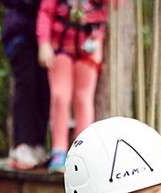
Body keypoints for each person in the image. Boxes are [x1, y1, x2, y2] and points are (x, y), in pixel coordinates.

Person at [37, 0, 108, 172]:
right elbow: (45, 12)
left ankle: (82, 152)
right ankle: (59, 151)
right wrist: (43, 43)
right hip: (61, 45)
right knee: (60, 97)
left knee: (83, 99)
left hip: (89, 45)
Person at [2, 0, 50, 169]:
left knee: (43, 90)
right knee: (26, 87)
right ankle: (22, 145)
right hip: (20, 34)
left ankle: (37, 144)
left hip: (45, 37)